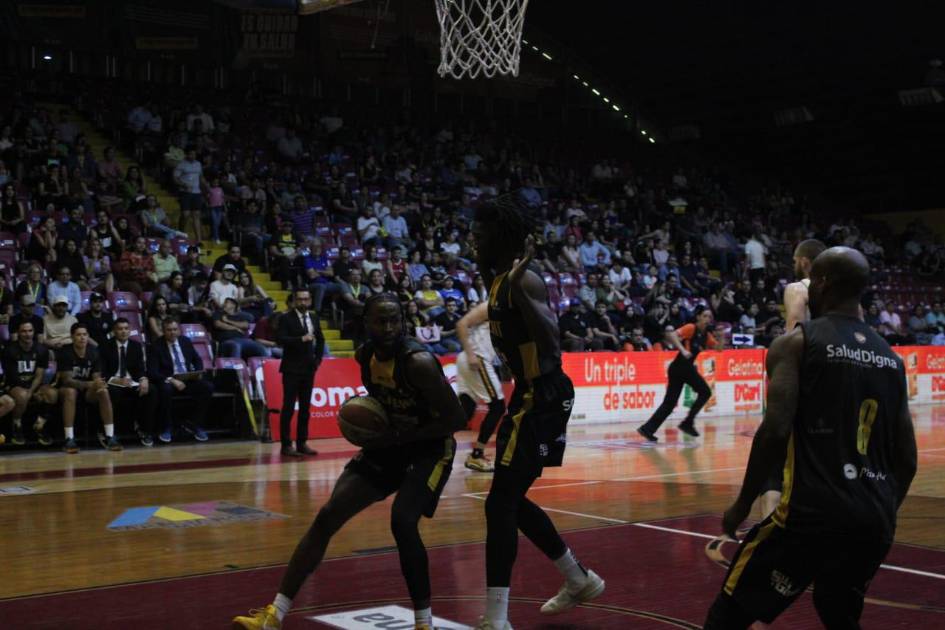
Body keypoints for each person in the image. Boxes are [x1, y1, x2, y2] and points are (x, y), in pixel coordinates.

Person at [704, 247, 917, 629]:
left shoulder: (796, 344)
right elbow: (907, 459)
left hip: (810, 517)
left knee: (728, 615)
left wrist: (742, 504)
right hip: (874, 520)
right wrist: (881, 512)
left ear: (820, 283)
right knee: (837, 612)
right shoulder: (892, 360)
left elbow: (774, 431)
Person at [233, 294, 466, 630]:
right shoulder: (364, 356)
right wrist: (373, 427)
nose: (389, 328)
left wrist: (396, 437)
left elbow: (455, 419)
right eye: (381, 321)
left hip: (429, 448)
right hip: (390, 445)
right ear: (366, 323)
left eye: (395, 320)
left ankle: (423, 623)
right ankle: (274, 615)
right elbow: (381, 403)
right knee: (328, 516)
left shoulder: (418, 362)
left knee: (402, 521)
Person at [472, 196, 603, 630]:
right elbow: (490, 272)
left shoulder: (523, 280)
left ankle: (497, 618)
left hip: (541, 394)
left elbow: (551, 338)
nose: (473, 240)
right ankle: (578, 578)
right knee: (509, 499)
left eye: (481, 234)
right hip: (528, 395)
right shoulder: (497, 278)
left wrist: (517, 290)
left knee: (500, 504)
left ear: (502, 239)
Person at [637, 307, 718, 442]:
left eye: (709, 317)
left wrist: (721, 336)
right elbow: (672, 335)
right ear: (698, 317)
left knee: (670, 403)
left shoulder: (706, 335)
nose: (707, 319)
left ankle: (647, 429)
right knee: (705, 392)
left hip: (681, 368)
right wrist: (682, 349)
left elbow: (718, 348)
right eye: (705, 316)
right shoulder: (691, 327)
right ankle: (687, 423)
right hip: (681, 367)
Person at [455, 301, 506, 473]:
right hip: (476, 359)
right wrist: (471, 354)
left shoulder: (511, 311)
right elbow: (461, 324)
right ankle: (476, 455)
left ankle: (428, 446)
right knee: (498, 407)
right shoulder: (491, 305)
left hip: (474, 360)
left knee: (465, 413)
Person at [276, 289, 325, 457]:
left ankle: (302, 442)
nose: (303, 302)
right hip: (291, 368)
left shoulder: (314, 317)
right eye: (300, 299)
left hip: (308, 368)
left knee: (305, 408)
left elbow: (321, 339)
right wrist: (300, 339)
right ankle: (286, 444)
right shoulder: (285, 318)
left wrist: (318, 360)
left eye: (306, 299)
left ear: (310, 300)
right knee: (288, 407)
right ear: (294, 301)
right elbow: (280, 339)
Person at [148, 317, 212, 444]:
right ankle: (166, 427)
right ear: (163, 331)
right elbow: (153, 372)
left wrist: (198, 372)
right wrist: (172, 380)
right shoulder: (156, 346)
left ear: (179, 330)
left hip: (187, 378)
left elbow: (197, 360)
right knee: (165, 390)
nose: (172, 332)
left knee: (207, 387)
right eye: (169, 330)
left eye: (175, 329)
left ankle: (195, 424)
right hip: (168, 380)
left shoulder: (185, 341)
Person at [57, 322, 119, 453]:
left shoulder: (94, 352)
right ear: (72, 337)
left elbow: (96, 378)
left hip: (87, 391)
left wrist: (97, 384)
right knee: (71, 392)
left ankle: (110, 436)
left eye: (84, 334)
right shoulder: (65, 352)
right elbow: (67, 380)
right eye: (78, 335)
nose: (82, 337)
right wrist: (89, 384)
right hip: (65, 389)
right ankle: (69, 439)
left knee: (103, 390)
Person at [101, 317, 157, 447]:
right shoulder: (105, 346)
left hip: (131, 382)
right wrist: (117, 381)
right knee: (112, 392)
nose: (123, 331)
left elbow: (140, 369)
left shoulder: (136, 346)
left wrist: (143, 379)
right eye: (120, 329)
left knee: (151, 390)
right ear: (114, 331)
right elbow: (103, 372)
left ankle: (145, 430)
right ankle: (110, 432)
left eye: (126, 328)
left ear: (130, 330)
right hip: (113, 382)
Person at [3, 321, 58, 446]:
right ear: (18, 333)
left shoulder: (41, 350)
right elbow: (13, 377)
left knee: (52, 393)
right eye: (23, 331)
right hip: (15, 384)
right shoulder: (9, 350)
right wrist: (28, 393)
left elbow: (39, 375)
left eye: (30, 331)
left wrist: (32, 391)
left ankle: (39, 425)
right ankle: (16, 426)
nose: (27, 334)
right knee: (22, 395)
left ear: (34, 332)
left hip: (33, 385)